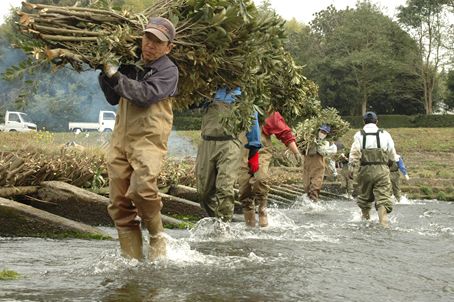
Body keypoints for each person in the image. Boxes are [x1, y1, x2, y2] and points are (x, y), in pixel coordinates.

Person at [98, 17, 178, 261]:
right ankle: (131, 263)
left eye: (158, 41)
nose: (150, 45)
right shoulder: (131, 64)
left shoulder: (168, 70)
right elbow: (113, 98)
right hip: (121, 139)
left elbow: (143, 95)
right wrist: (105, 70)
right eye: (148, 38)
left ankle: (157, 239)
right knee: (119, 203)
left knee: (142, 190)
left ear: (169, 47)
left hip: (148, 141)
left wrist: (115, 74)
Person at [196, 87, 261, 223]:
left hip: (229, 144)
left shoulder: (242, 98)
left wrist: (254, 150)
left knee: (224, 188)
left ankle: (224, 226)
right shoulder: (209, 92)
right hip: (206, 143)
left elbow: (252, 121)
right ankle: (215, 220)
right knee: (203, 192)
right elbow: (191, 102)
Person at [238, 111, 302, 227]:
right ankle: (250, 228)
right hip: (242, 152)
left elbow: (284, 133)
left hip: (261, 151)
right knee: (244, 189)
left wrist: (296, 152)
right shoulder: (237, 108)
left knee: (260, 179)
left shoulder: (266, 111)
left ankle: (262, 208)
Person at [348, 112, 398, 227]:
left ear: (364, 122)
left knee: (364, 199)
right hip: (382, 170)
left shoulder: (359, 135)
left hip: (365, 170)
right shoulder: (385, 134)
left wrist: (351, 169)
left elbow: (354, 154)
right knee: (383, 199)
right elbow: (392, 153)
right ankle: (383, 224)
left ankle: (365, 221)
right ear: (377, 121)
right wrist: (391, 163)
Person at [302, 124, 337, 202]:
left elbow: (324, 152)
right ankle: (308, 204)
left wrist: (318, 145)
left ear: (326, 135)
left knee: (315, 187)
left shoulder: (325, 143)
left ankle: (314, 204)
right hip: (307, 167)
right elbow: (302, 150)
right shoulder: (308, 141)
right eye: (321, 131)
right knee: (306, 187)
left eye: (324, 133)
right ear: (318, 131)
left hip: (318, 168)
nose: (322, 134)